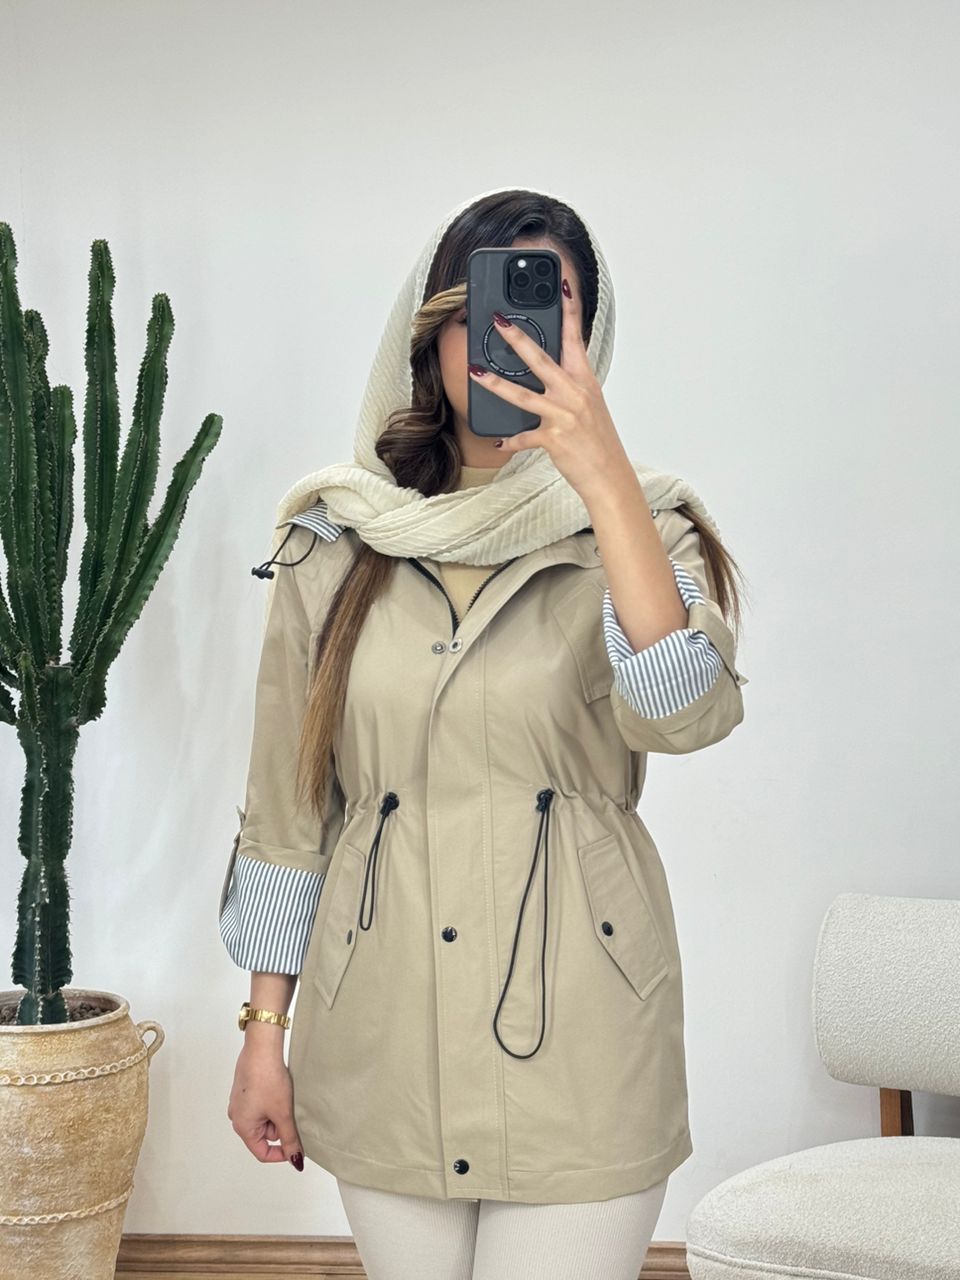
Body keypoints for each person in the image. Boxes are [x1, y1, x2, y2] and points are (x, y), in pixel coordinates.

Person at [218, 185, 749, 1280]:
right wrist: (263, 1033)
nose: (511, 343)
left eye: (545, 313)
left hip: (585, 1034)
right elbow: (287, 812)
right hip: (381, 1029)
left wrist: (603, 477)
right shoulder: (335, 540)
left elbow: (682, 710)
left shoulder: (646, 528)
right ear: (430, 334)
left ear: (588, 342)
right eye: (483, 312)